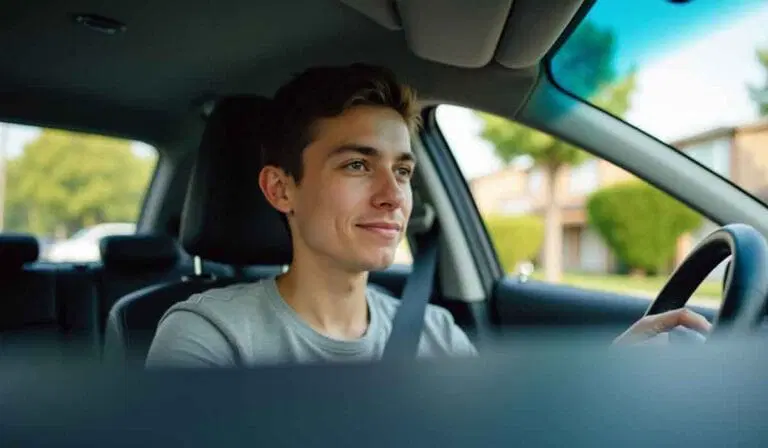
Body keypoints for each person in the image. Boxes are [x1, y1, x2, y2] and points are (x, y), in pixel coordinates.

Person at [145, 64, 711, 368]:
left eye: (404, 171)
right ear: (280, 189)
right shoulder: (208, 337)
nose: (395, 197)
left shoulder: (434, 334)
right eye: (357, 167)